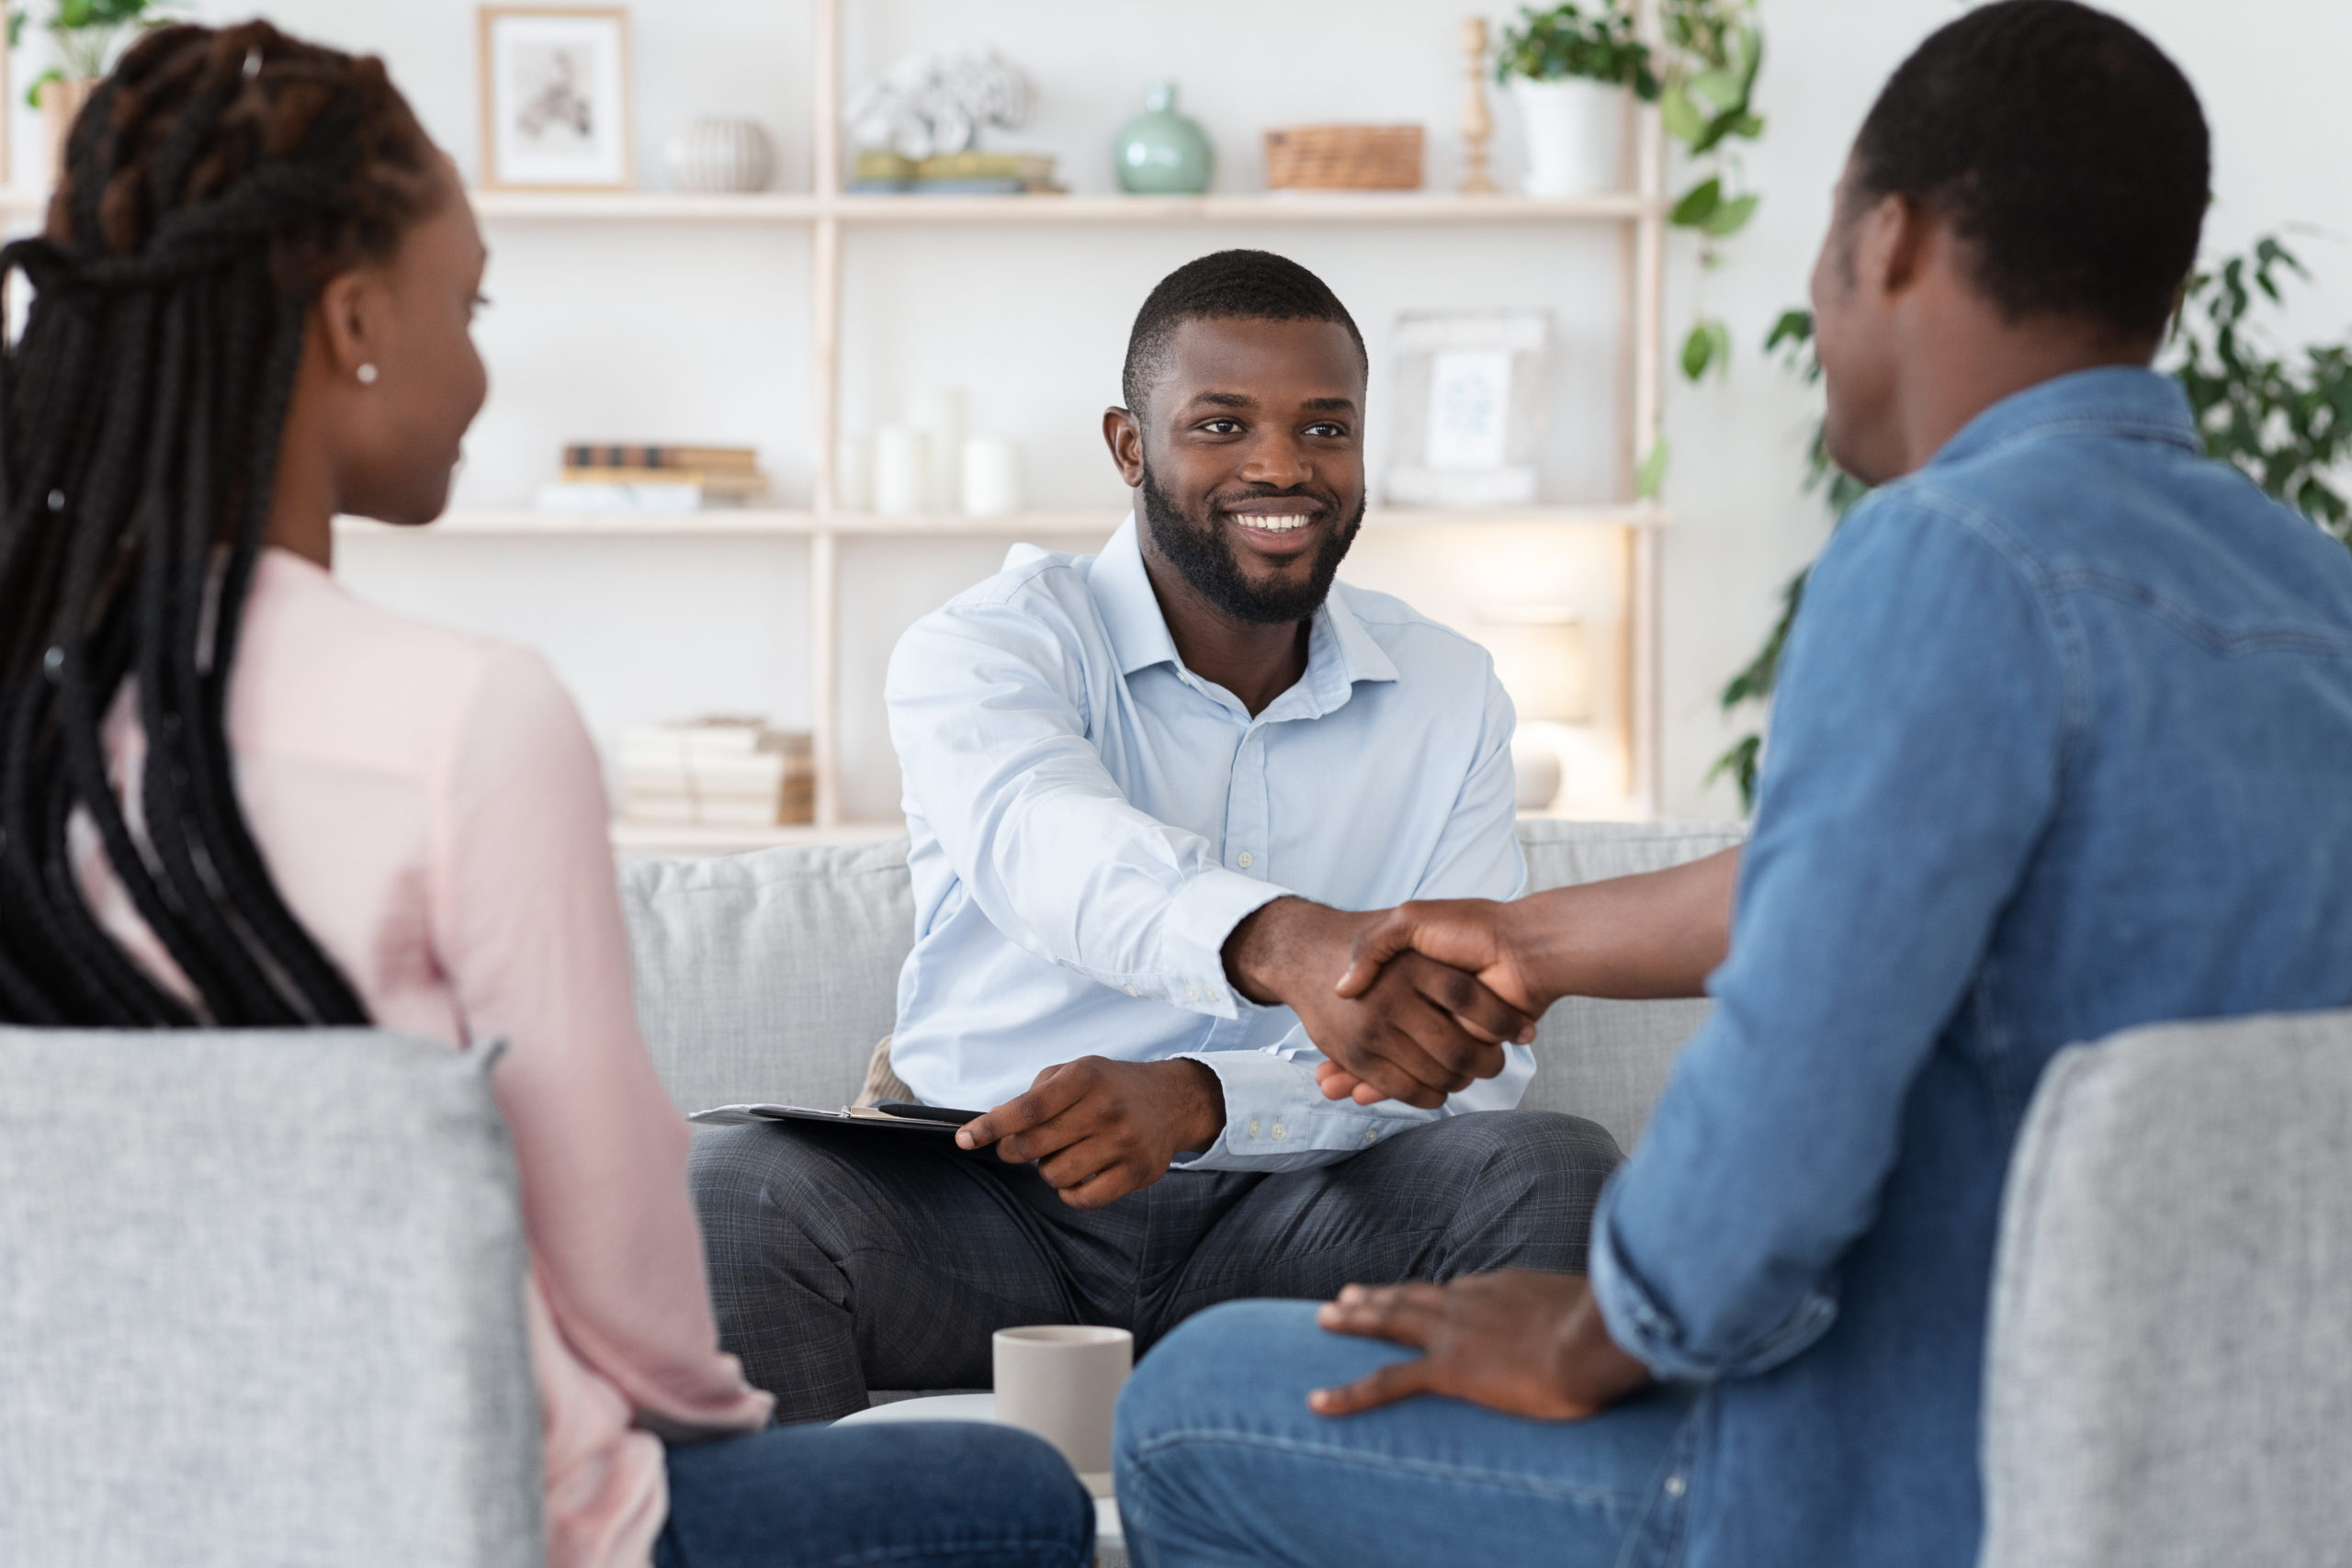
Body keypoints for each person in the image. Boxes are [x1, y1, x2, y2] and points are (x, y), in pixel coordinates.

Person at [1111, 6, 2352, 1567]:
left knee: (1199, 1401)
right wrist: (1531, 937)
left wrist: (1606, 1329)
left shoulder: (1945, 555)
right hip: (2225, 1478)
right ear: (2166, 287)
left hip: (1895, 1470)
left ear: (1884, 240)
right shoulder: (2315, 592)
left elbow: (1798, 1079)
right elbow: (1889, 888)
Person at [0, 24, 1090, 1568]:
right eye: (474, 300)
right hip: (485, 1517)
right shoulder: (463, 716)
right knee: (1018, 1496)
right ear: (356, 320)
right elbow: (628, 1274)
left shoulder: (40, 721)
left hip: (81, 1511)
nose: (482, 363)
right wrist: (704, 1426)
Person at [691, 250, 1624, 1423]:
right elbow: (1050, 845)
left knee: (1549, 1169)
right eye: (1221, 424)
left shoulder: (1450, 692)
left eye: (1325, 428)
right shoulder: (986, 649)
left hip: (1290, 1219)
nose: (1280, 465)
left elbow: (1461, 1066)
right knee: (729, 1193)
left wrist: (1204, 1100)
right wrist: (1281, 945)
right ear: (1130, 448)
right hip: (984, 1212)